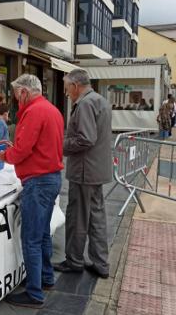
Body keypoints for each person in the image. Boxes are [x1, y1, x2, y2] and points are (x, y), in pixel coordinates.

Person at [0, 74, 63, 309]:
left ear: (24, 92)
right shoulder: (51, 109)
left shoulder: (33, 112)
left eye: (16, 95)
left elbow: (23, 148)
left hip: (38, 181)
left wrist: (7, 156)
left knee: (31, 238)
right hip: (51, 177)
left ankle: (34, 292)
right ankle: (45, 278)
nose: (16, 101)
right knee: (42, 233)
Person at [54, 69, 112, 280]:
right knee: (96, 217)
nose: (66, 92)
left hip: (85, 170)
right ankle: (100, 263)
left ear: (76, 86)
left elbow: (85, 138)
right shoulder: (100, 100)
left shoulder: (86, 103)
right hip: (95, 169)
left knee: (77, 217)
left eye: (67, 87)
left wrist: (60, 146)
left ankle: (75, 260)